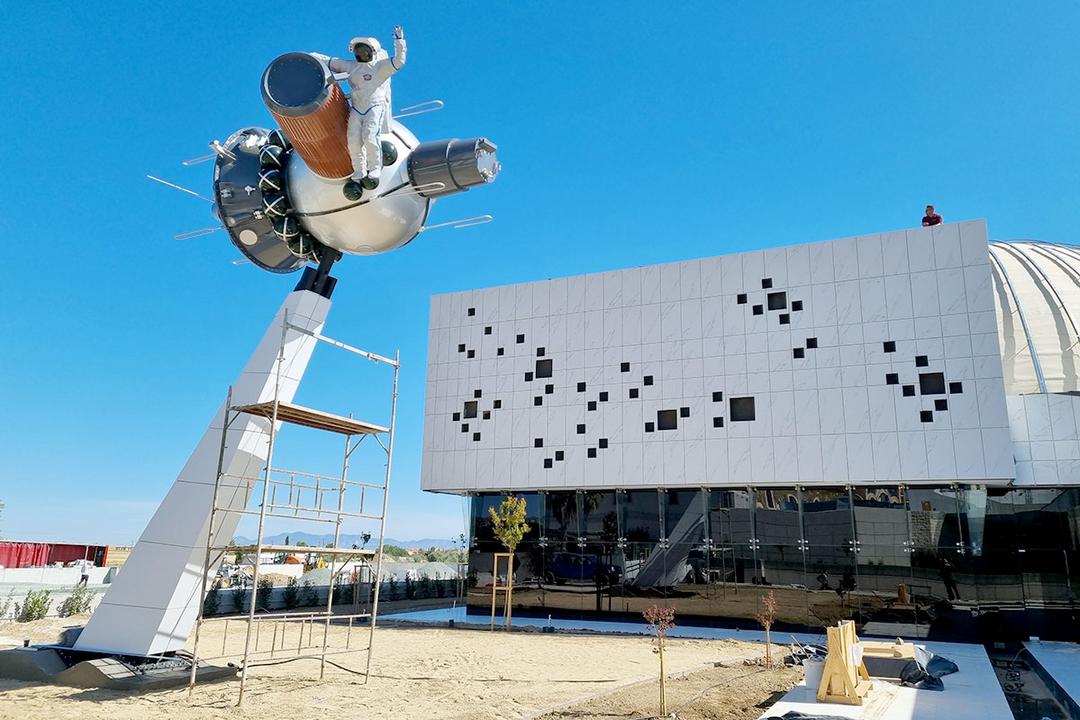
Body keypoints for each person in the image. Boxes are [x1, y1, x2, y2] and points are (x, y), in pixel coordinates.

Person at [317, 27, 407, 200]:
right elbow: (331, 62)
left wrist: (399, 41)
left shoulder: (380, 67)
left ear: (372, 51)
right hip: (357, 107)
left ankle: (374, 169)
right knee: (353, 139)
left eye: (364, 51)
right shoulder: (352, 67)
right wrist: (311, 56)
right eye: (358, 52)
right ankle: (359, 170)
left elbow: (399, 61)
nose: (361, 54)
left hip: (375, 106)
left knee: (370, 136)